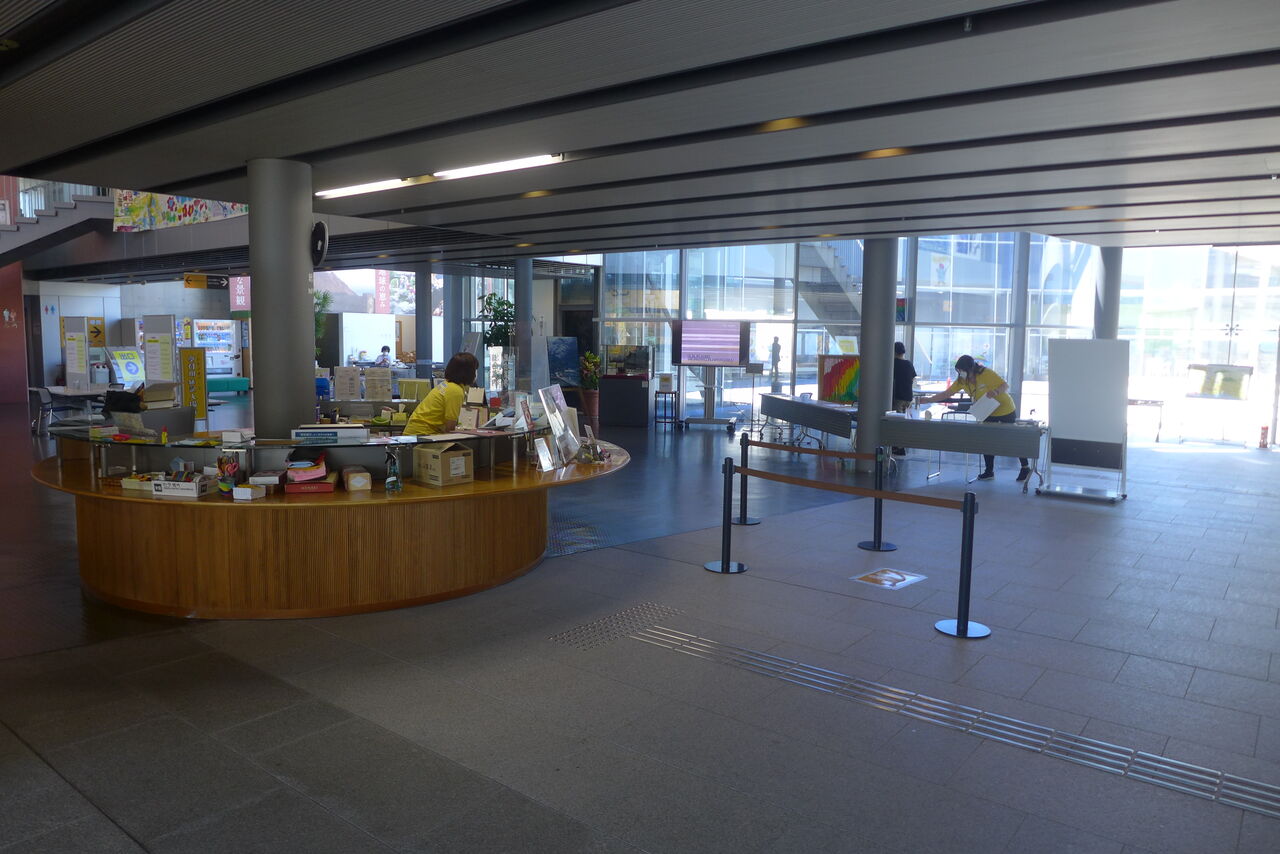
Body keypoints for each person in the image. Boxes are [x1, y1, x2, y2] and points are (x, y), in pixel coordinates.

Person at [918, 354, 1031, 482]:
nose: (960, 373)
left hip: (1005, 409)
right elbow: (946, 393)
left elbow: (1005, 385)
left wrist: (995, 392)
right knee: (987, 441)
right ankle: (989, 471)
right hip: (987, 411)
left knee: (1014, 439)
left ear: (970, 368)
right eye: (958, 371)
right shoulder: (962, 381)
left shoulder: (986, 373)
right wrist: (928, 400)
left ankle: (1025, 467)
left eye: (962, 370)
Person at [403, 352, 479, 436]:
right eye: (475, 369)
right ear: (468, 372)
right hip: (423, 435)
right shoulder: (455, 391)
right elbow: (450, 428)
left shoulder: (446, 385)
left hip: (414, 433)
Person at [890, 342, 917, 456]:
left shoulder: (893, 363)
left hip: (898, 397)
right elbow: (913, 378)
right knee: (904, 422)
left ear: (894, 351)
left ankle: (898, 448)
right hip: (908, 397)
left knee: (897, 423)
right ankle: (903, 444)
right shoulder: (909, 364)